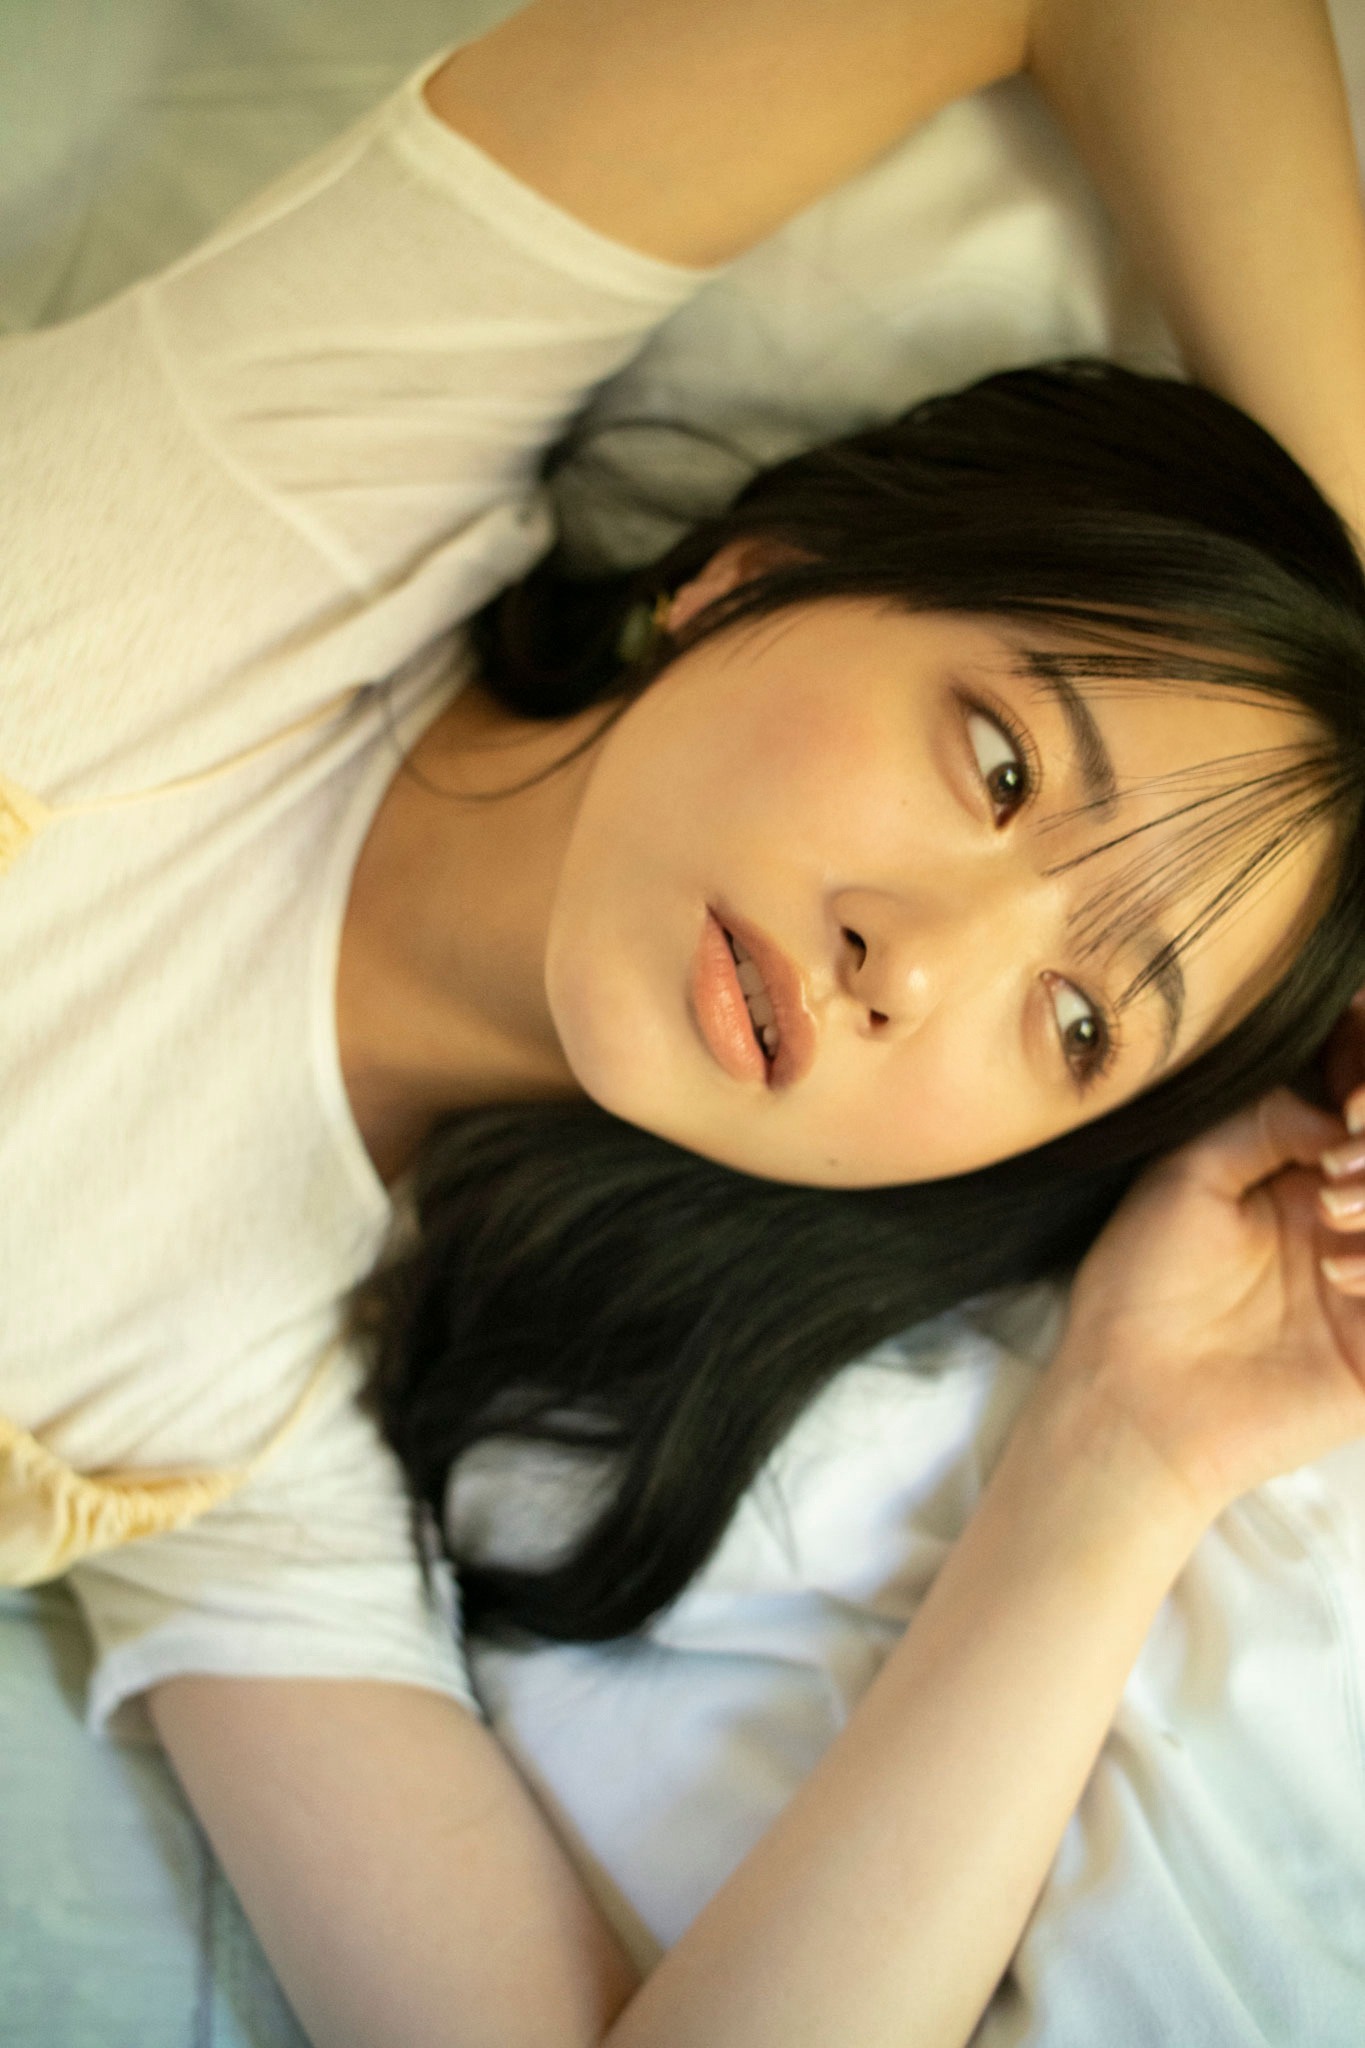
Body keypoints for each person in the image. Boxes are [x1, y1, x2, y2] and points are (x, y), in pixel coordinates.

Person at [4, 3, 1365, 2045]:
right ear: (753, 575)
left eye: (1081, 1017)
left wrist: (1122, 1457)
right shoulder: (283, 470)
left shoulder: (221, 1431)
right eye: (998, 765)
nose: (915, 960)